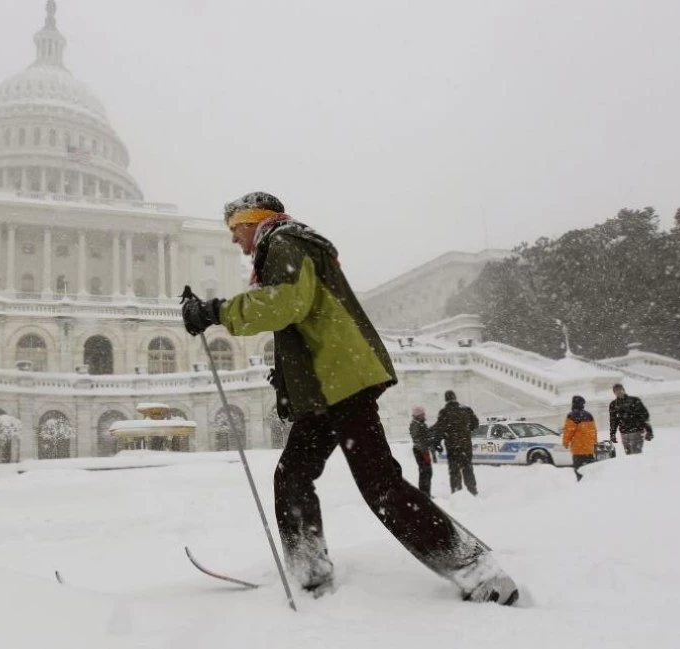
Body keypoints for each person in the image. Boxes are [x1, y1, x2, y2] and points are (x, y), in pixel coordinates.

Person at [180, 191, 517, 605]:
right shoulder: (286, 245)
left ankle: (477, 570)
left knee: (380, 486)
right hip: (326, 386)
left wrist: (215, 311)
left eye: (235, 229)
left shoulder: (284, 243)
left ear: (254, 221)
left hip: (341, 382)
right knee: (294, 476)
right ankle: (309, 574)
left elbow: (285, 305)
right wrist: (288, 384)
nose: (234, 240)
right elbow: (305, 324)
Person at [431, 390, 480, 496]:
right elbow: (475, 424)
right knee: (468, 467)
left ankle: (457, 492)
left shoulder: (444, 412)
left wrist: (437, 443)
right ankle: (472, 490)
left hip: (452, 446)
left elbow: (439, 430)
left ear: (446, 399)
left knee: (454, 470)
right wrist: (466, 430)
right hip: (466, 445)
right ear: (455, 398)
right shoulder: (466, 410)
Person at [608, 383, 651, 455]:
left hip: (636, 431)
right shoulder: (613, 404)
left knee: (635, 455)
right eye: (616, 391)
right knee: (628, 455)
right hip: (624, 433)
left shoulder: (634, 400)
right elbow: (613, 420)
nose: (618, 392)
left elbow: (644, 415)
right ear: (614, 393)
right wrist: (612, 434)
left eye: (620, 390)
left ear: (623, 390)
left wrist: (649, 430)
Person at [562, 395, 598, 481]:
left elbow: (568, 431)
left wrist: (565, 443)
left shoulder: (572, 415)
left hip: (578, 449)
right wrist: (595, 443)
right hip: (589, 449)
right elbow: (594, 431)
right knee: (589, 470)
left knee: (579, 470)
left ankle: (581, 486)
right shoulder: (589, 415)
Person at [409, 406, 434, 497]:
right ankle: (424, 493)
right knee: (425, 472)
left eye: (424, 414)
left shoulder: (421, 424)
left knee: (427, 472)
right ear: (417, 415)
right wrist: (424, 453)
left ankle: (426, 492)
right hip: (420, 451)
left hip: (423, 450)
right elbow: (418, 439)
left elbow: (425, 436)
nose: (424, 416)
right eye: (422, 414)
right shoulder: (415, 424)